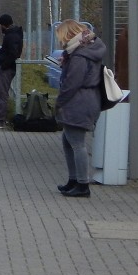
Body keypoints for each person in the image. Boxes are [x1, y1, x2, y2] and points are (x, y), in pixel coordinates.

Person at [53, 19, 107, 198]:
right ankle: (74, 179)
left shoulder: (79, 56)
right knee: (68, 140)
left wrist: (59, 102)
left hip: (79, 101)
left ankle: (82, 184)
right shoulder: (86, 50)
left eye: (62, 37)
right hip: (87, 100)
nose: (61, 41)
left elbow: (72, 83)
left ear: (68, 35)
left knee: (77, 143)